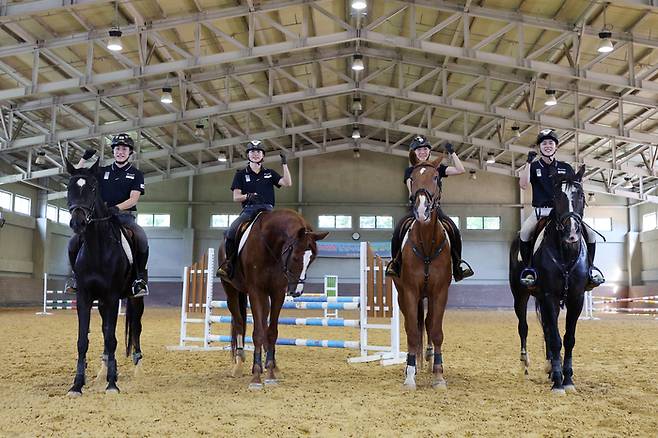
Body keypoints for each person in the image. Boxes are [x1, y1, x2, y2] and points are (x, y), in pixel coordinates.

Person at [65, 133, 150, 297]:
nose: (120, 152)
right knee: (73, 241)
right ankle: (75, 278)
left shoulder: (136, 174)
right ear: (113, 151)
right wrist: (84, 158)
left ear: (130, 152)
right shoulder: (102, 171)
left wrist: (116, 209)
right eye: (118, 149)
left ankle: (139, 279)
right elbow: (77, 175)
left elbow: (133, 199)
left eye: (124, 149)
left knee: (141, 238)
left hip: (124, 217)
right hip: (99, 218)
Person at [518, 129, 604, 288]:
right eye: (544, 143)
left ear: (556, 147)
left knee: (591, 235)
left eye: (551, 143)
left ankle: (590, 269)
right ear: (539, 148)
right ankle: (529, 269)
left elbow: (575, 191)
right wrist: (528, 163)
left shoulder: (566, 167)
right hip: (542, 212)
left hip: (564, 213)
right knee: (524, 233)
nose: (547, 145)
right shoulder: (534, 166)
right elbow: (523, 184)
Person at [385, 135, 474, 281]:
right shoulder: (410, 171)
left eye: (425, 149)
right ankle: (395, 263)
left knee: (454, 230)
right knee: (398, 230)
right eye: (419, 149)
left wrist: (452, 153)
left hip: (435, 209)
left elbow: (460, 170)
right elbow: (410, 190)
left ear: (429, 151)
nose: (422, 152)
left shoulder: (437, 168)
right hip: (417, 208)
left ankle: (458, 265)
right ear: (414, 153)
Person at [216, 140, 292, 280]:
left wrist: (284, 164)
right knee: (231, 231)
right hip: (249, 210)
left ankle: (285, 267)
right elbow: (236, 197)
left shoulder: (270, 173)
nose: (255, 154)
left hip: (268, 211)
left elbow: (287, 183)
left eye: (258, 152)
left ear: (263, 155)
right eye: (252, 152)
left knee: (285, 234)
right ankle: (228, 264)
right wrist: (248, 196)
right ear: (248, 155)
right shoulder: (240, 174)